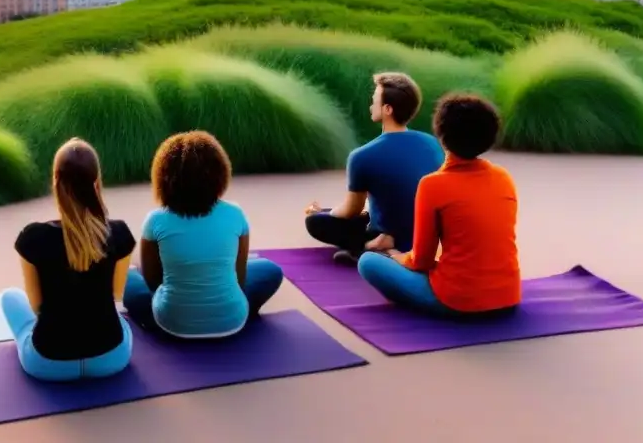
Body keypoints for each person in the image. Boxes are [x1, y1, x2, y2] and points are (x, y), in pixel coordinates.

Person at [357, 93, 521, 317]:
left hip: (458, 303)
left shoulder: (433, 184)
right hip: (508, 298)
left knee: (368, 262)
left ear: (441, 135)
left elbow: (421, 261)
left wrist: (395, 256)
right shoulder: (504, 177)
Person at [123, 131, 284, 339]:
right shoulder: (235, 214)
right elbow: (240, 278)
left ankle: (167, 318)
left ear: (163, 177)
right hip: (232, 319)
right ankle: (226, 311)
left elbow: (153, 283)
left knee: (128, 276)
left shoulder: (155, 220)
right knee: (270, 269)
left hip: (171, 321)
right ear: (220, 173)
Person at [2, 138, 135, 381]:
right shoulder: (119, 234)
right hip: (110, 358)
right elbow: (116, 296)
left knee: (9, 298)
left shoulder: (33, 237)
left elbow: (36, 306)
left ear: (56, 182)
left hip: (48, 363)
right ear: (96, 183)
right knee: (123, 324)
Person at [304, 72, 444, 263]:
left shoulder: (362, 156)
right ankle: (386, 243)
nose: (371, 105)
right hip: (428, 234)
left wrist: (325, 214)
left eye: (374, 100)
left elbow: (351, 211)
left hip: (390, 232)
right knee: (352, 211)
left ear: (387, 109)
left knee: (315, 221)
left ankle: (372, 247)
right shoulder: (432, 144)